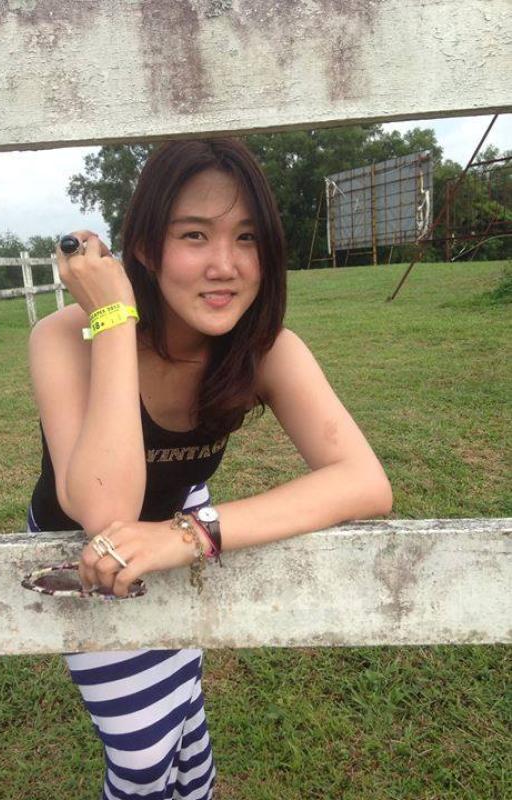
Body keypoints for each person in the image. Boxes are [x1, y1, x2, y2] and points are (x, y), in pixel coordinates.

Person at [27, 138, 392, 800]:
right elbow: (106, 513)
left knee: (179, 710)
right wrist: (113, 319)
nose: (225, 266)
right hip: (80, 547)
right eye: (195, 235)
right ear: (146, 247)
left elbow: (364, 481)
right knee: (142, 752)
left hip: (177, 519)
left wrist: (192, 533)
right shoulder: (62, 338)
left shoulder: (265, 349)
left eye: (247, 238)